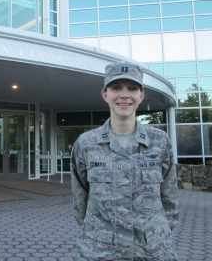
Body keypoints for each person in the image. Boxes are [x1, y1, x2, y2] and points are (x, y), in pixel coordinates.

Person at [71, 61, 179, 260]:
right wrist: (99, 235)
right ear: (105, 94)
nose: (124, 94)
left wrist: (155, 235)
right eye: (116, 88)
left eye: (132, 88)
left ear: (141, 95)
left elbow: (169, 199)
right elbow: (80, 203)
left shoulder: (159, 141)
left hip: (152, 251)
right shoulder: (86, 144)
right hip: (100, 252)